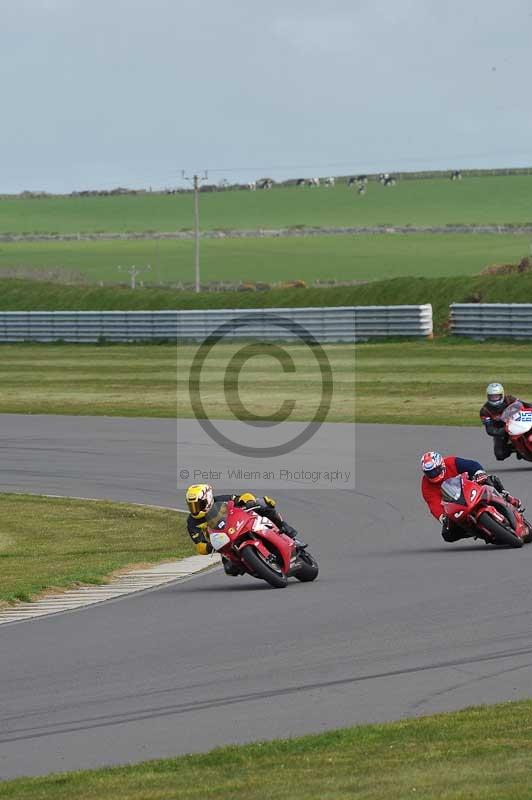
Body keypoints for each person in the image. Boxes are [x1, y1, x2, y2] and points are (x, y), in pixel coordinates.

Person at [185, 484, 303, 575]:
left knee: (263, 503)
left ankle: (283, 526)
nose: (195, 509)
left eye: (198, 504)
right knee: (230, 569)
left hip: (237, 525)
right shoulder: (192, 522)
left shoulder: (221, 500)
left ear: (208, 499)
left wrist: (250, 501)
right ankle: (253, 566)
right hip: (223, 542)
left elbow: (242, 497)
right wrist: (209, 546)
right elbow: (199, 545)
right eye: (192, 506)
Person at [420, 451, 524, 542]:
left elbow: (471, 465)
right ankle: (478, 532)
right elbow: (433, 504)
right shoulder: (426, 485)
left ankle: (506, 496)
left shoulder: (451, 462)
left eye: (435, 470)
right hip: (456, 504)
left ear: (441, 465)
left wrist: (479, 473)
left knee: (490, 479)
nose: (433, 474)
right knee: (448, 534)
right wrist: (442, 517)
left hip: (472, 489)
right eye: (429, 473)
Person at [479, 382, 532, 461]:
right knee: (500, 454)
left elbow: (524, 405)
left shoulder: (509, 399)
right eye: (492, 397)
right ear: (488, 396)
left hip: (517, 421)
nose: (494, 398)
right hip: (501, 428)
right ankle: (516, 449)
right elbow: (489, 429)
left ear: (502, 395)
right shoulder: (485, 411)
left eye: (496, 396)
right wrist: (503, 431)